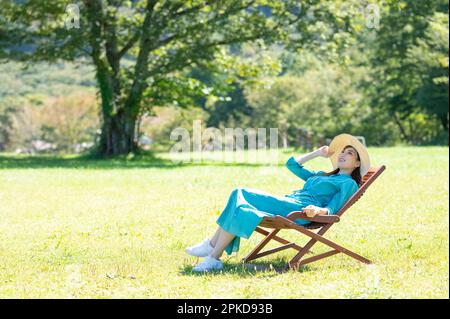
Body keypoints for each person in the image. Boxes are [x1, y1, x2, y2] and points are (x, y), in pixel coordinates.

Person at [185, 133, 371, 272]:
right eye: (342, 152)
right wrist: (316, 153)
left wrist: (317, 210)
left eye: (349, 153)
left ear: (356, 164)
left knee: (240, 192)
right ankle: (212, 254)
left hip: (300, 210)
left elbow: (333, 208)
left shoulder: (348, 183)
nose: (343, 155)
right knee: (240, 204)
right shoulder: (322, 175)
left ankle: (212, 252)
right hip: (290, 201)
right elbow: (292, 165)